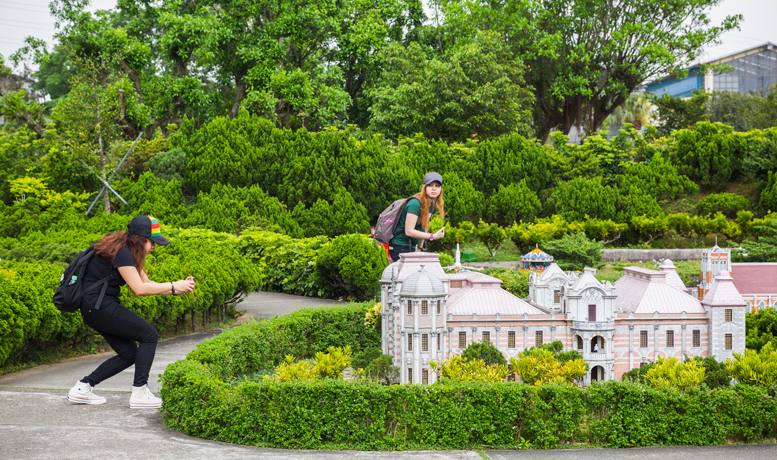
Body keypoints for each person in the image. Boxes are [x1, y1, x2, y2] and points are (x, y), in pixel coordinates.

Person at [66, 215, 195, 409]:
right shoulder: (122, 253)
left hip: (95, 308)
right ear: (140, 239)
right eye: (152, 242)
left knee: (129, 354)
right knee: (149, 334)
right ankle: (140, 392)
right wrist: (173, 285)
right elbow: (139, 289)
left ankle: (83, 387)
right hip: (100, 307)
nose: (153, 248)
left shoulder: (125, 250)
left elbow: (147, 284)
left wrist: (177, 288)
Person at [388, 172, 446, 262]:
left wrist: (419, 248)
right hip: (399, 246)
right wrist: (433, 236)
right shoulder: (415, 204)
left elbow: (424, 227)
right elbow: (409, 231)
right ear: (424, 187)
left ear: (441, 189)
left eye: (437, 185)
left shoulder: (432, 205)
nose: (434, 188)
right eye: (430, 185)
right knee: (406, 275)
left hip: (411, 246)